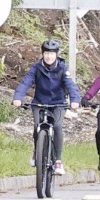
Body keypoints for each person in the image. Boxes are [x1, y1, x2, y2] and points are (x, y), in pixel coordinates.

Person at [12, 38, 80, 176]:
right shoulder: (36, 67)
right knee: (37, 126)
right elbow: (26, 82)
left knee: (57, 126)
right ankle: (36, 151)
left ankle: (58, 161)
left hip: (58, 104)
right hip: (39, 103)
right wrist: (18, 97)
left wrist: (75, 100)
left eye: (52, 53)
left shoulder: (62, 68)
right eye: (46, 53)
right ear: (42, 54)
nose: (49, 56)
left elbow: (70, 85)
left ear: (56, 54)